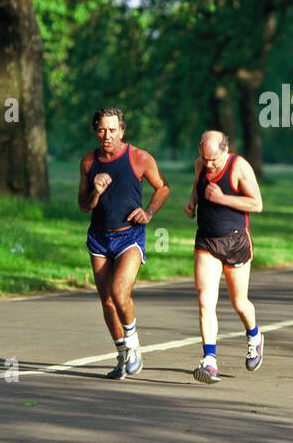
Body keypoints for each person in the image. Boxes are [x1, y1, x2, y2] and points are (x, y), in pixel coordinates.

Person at [78, 107, 170, 380]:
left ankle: (134, 345)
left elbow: (163, 188)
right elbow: (83, 206)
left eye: (112, 130)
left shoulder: (139, 158)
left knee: (119, 292)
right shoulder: (88, 162)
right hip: (99, 237)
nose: (107, 136)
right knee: (107, 300)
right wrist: (95, 190)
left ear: (122, 131)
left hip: (129, 235)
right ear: (96, 131)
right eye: (102, 130)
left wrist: (149, 212)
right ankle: (122, 354)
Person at [184, 130, 265, 384]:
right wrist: (192, 203)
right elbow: (199, 186)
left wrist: (222, 198)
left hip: (236, 241)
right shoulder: (200, 165)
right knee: (205, 300)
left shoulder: (239, 167)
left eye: (214, 160)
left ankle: (254, 336)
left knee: (239, 302)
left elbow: (257, 204)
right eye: (204, 159)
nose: (209, 165)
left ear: (225, 150)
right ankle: (209, 361)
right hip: (206, 241)